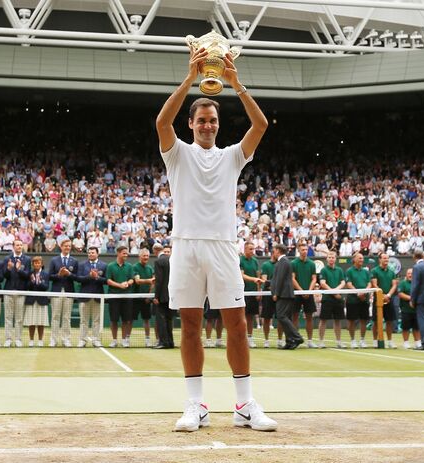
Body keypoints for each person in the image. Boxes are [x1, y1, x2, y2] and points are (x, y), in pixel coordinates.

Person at [156, 44, 276, 432]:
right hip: (186, 246)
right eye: (201, 120)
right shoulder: (176, 153)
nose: (207, 125)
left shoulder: (232, 156)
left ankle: (244, 405)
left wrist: (236, 84)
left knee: (237, 324)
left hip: (224, 247)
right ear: (191, 124)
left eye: (212, 120)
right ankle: (196, 406)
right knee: (190, 326)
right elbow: (161, 123)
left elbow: (260, 126)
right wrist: (190, 80)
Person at [270, 244, 303, 349]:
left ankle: (297, 337)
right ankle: (290, 341)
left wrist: (276, 293)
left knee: (281, 316)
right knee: (285, 317)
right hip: (285, 293)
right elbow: (277, 279)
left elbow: (280, 279)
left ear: (278, 251)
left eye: (274, 250)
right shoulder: (283, 262)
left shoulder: (283, 262)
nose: (273, 252)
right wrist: (267, 283)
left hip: (283, 294)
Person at [48, 237, 78, 347]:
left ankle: (66, 339)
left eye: (69, 246)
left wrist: (69, 274)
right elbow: (49, 277)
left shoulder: (74, 261)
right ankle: (53, 340)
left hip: (69, 292)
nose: (67, 248)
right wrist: (59, 275)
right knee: (55, 316)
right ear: (61, 247)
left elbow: (77, 277)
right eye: (66, 246)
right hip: (56, 292)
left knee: (66, 317)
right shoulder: (54, 260)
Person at [75, 246, 107, 347]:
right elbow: (78, 278)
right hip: (85, 296)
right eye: (89, 253)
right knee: (83, 320)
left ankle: (96, 340)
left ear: (97, 254)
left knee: (96, 320)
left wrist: (97, 277)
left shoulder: (104, 265)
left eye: (92, 253)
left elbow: (106, 280)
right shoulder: (82, 265)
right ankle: (82, 340)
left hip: (98, 296)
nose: (90, 254)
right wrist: (89, 276)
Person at [2, 239, 30, 347]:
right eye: (17, 245)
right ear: (13, 246)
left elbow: (27, 275)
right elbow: (4, 276)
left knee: (19, 318)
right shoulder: (7, 258)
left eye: (20, 245)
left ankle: (18, 339)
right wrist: (9, 269)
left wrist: (19, 270)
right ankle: (8, 339)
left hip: (21, 291)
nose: (19, 246)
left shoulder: (26, 259)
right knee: (8, 317)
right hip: (9, 291)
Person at [106, 245, 135, 347]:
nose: (126, 255)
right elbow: (108, 281)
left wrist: (127, 283)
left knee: (126, 320)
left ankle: (124, 340)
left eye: (127, 253)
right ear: (118, 253)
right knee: (114, 320)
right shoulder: (110, 266)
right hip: (114, 297)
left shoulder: (130, 266)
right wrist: (119, 285)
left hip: (127, 296)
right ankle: (114, 340)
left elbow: (132, 279)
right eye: (124, 253)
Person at [291, 242, 318, 348]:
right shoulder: (293, 263)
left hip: (308, 294)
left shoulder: (312, 264)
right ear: (299, 250)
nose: (305, 252)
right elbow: (292, 278)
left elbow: (314, 279)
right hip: (297, 293)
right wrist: (301, 290)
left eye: (306, 250)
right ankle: (295, 339)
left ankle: (310, 341)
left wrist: (308, 291)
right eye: (303, 250)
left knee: (309, 317)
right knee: (295, 317)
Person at [370, 253, 399, 349]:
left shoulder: (392, 272)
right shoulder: (374, 271)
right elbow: (374, 284)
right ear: (380, 260)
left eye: (387, 258)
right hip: (378, 299)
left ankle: (390, 341)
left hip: (389, 299)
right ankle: (375, 341)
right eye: (384, 258)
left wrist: (388, 295)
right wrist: (381, 295)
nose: (386, 259)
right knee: (375, 322)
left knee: (389, 321)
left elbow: (394, 285)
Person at [318, 251, 346, 348]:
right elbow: (322, 283)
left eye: (333, 257)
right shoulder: (323, 270)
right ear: (327, 259)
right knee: (323, 320)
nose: (331, 259)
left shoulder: (339, 270)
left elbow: (343, 282)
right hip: (327, 299)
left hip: (338, 299)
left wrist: (336, 291)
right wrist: (333, 292)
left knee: (338, 321)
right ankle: (321, 341)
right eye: (329, 257)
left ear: (335, 259)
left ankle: (338, 342)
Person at [239, 241, 263, 348]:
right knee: (241, 317)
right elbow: (241, 275)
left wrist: (258, 291)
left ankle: (249, 338)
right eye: (250, 249)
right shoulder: (240, 260)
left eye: (253, 249)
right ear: (245, 249)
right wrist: (253, 279)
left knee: (250, 317)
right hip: (242, 292)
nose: (252, 251)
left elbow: (258, 276)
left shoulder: (255, 261)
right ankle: (241, 338)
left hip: (253, 293)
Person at [345, 252, 372, 348]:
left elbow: (369, 283)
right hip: (352, 300)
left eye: (362, 258)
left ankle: (362, 340)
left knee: (364, 320)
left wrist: (364, 292)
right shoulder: (349, 271)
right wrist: (357, 293)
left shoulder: (366, 271)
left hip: (364, 299)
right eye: (359, 258)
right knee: (351, 320)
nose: (362, 260)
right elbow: (349, 284)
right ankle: (352, 340)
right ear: (354, 260)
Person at [132, 248, 156, 347]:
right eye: (144, 256)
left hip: (146, 299)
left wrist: (149, 296)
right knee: (130, 319)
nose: (146, 257)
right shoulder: (135, 267)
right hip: (135, 298)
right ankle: (127, 339)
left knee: (146, 319)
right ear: (139, 256)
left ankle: (147, 340)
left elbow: (153, 284)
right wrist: (149, 280)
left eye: (147, 256)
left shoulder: (150, 268)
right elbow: (137, 281)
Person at [25, 256, 50, 346]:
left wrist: (39, 282)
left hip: (42, 300)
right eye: (35, 263)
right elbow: (27, 286)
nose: (37, 264)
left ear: (41, 264)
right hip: (31, 300)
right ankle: (31, 340)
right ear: (32, 264)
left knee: (41, 322)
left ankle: (40, 340)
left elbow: (46, 287)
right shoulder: (29, 274)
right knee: (31, 322)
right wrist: (32, 281)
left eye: (38, 263)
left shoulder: (46, 274)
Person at [153, 244, 174, 349]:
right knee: (169, 319)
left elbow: (159, 280)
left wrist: (156, 296)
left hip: (162, 295)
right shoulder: (172, 260)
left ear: (156, 250)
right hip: (171, 295)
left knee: (161, 319)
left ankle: (163, 342)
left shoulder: (158, 262)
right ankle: (170, 342)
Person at [397, 268, 421, 349]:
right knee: (406, 327)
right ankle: (406, 342)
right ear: (406, 275)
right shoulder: (402, 283)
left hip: (416, 309)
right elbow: (400, 294)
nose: (410, 275)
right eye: (408, 273)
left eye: (412, 273)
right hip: (405, 309)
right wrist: (411, 298)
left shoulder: (418, 284)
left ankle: (418, 342)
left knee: (416, 327)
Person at [259, 253, 277, 348]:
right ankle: (266, 340)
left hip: (279, 295)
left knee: (281, 318)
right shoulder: (266, 265)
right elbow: (264, 280)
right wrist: (273, 288)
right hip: (267, 295)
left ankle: (280, 340)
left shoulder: (280, 264)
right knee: (266, 318)